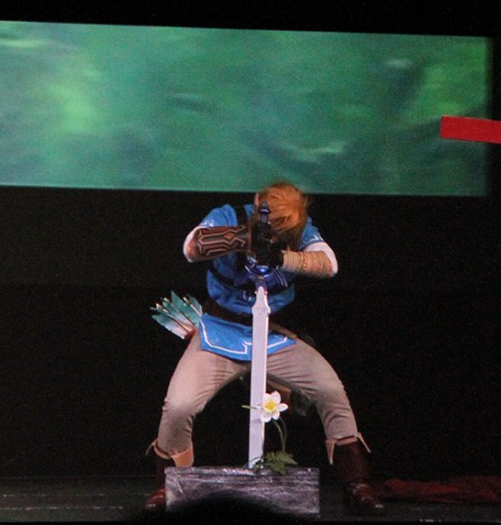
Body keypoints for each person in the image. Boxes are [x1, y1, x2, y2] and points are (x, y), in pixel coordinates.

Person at [145, 181, 385, 515]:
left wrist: (281, 256)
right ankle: (167, 485)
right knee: (179, 405)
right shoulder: (228, 216)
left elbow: (329, 264)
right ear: (259, 204)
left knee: (330, 390)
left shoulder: (300, 231)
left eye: (284, 227)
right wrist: (243, 237)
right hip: (219, 335)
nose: (277, 230)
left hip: (270, 337)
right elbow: (191, 247)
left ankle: (356, 483)